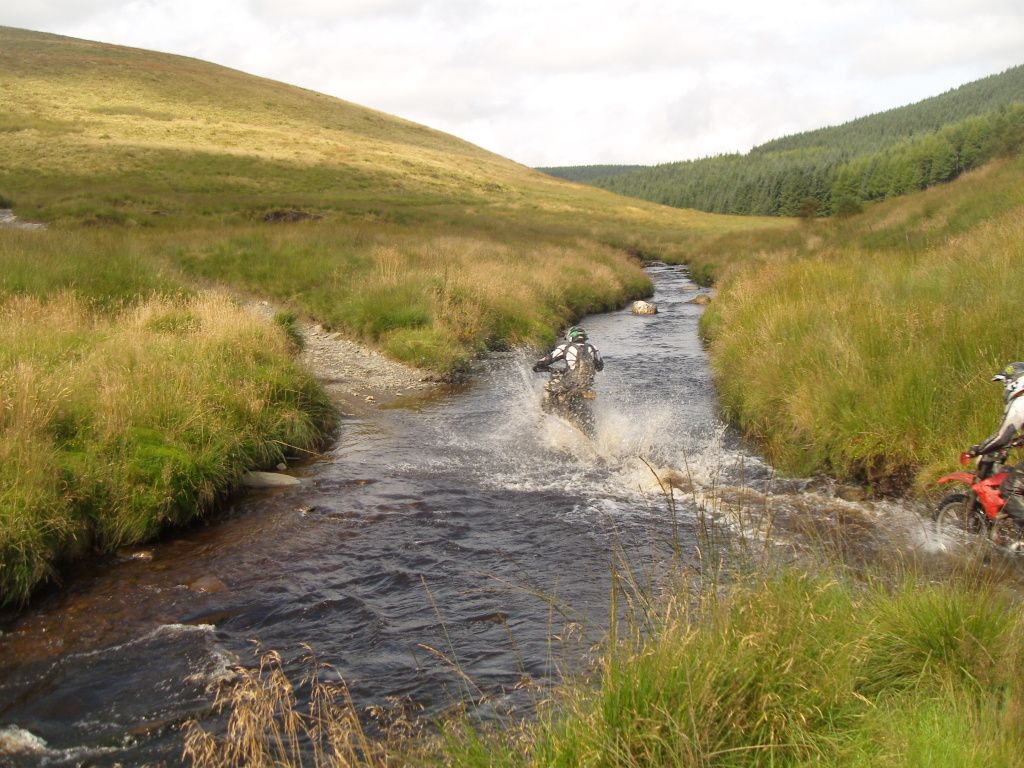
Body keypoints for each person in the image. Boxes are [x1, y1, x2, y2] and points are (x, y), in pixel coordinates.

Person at [967, 362, 1024, 519]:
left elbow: (1001, 437)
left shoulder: (1020, 403)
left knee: (1009, 488)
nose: (1005, 388)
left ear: (1016, 382)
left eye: (1006, 383)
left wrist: (978, 449)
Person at [532, 325, 604, 393]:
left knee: (547, 387)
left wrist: (547, 368)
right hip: (587, 384)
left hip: (569, 382)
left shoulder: (564, 347)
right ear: (584, 337)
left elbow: (545, 361)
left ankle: (546, 406)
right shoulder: (594, 348)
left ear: (570, 337)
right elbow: (600, 367)